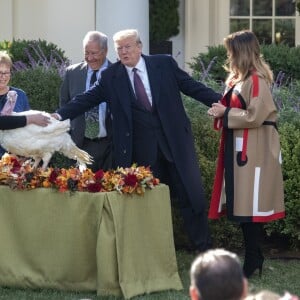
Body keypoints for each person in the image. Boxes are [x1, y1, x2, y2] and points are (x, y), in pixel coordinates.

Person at [54, 29, 222, 252]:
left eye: (128, 46)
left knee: (192, 198)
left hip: (176, 143)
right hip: (143, 152)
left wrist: (223, 102)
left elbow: (192, 87)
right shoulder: (111, 76)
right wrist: (57, 116)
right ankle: (155, 253)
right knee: (149, 203)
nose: (123, 52)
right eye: (119, 48)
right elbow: (85, 100)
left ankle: (204, 250)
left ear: (139, 47)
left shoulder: (163, 64)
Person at [207, 30, 285, 278]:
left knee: (249, 204)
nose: (228, 55)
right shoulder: (242, 79)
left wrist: (224, 113)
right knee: (243, 204)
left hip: (255, 150)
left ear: (241, 52)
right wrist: (222, 112)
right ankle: (254, 257)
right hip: (243, 148)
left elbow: (255, 116)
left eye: (231, 50)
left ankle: (252, 259)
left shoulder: (256, 80)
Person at [60, 31, 112, 171]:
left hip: (110, 145)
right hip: (80, 144)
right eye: (86, 53)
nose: (89, 58)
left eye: (94, 53)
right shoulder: (72, 73)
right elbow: (64, 105)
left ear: (105, 51)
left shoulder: (117, 73)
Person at [0, 51, 31, 156]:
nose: (2, 76)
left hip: (14, 160)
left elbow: (28, 127)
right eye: (0, 72)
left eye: (6, 72)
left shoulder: (20, 95)